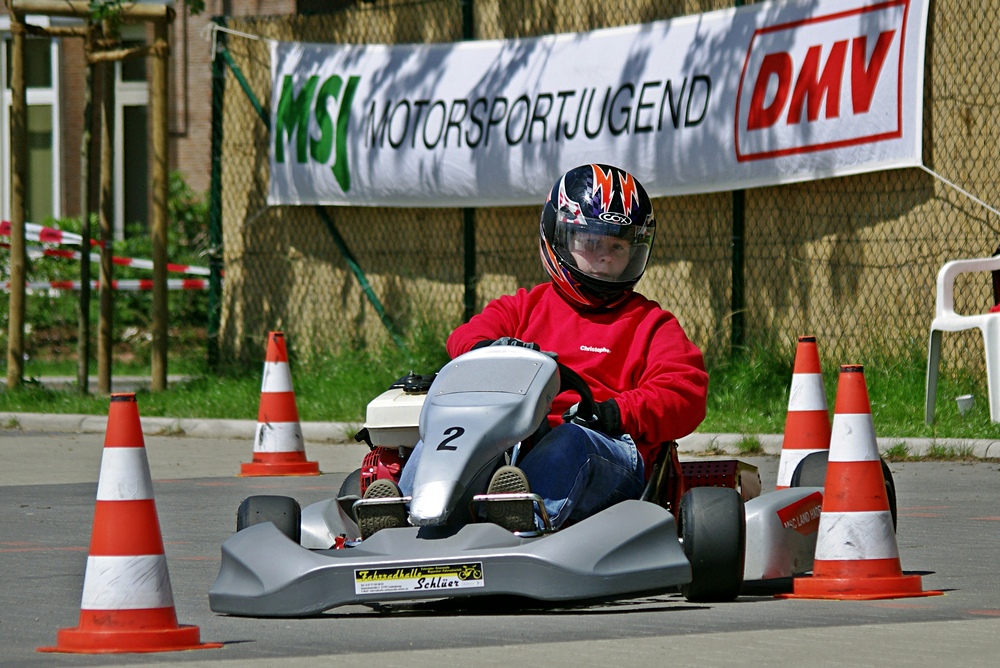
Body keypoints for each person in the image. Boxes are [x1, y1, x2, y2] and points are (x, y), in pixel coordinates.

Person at [359, 164, 708, 538]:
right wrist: (489, 352)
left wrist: (615, 412)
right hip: (516, 444)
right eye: (591, 242)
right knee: (448, 432)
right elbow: (467, 336)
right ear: (559, 239)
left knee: (570, 440)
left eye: (617, 246)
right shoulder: (526, 307)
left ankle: (526, 519)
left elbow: (684, 393)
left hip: (606, 450)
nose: (604, 257)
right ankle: (408, 518)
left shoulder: (649, 323)